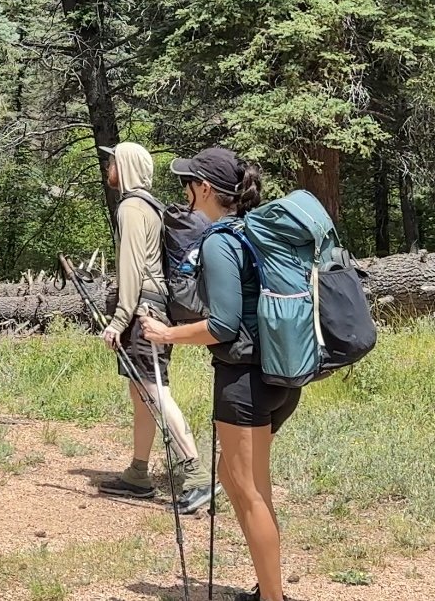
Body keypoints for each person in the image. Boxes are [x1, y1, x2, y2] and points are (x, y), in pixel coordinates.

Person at [141, 146, 292, 601]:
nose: (184, 191)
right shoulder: (255, 231)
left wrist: (166, 335)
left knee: (249, 492)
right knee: (234, 477)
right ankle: (268, 590)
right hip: (276, 374)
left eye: (189, 183)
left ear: (204, 188)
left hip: (244, 381)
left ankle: (273, 597)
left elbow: (223, 325)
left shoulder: (220, 240)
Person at [95, 142, 211, 513]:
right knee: (141, 391)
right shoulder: (152, 206)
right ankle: (138, 474)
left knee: (154, 391)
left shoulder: (130, 208)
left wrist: (118, 320)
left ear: (124, 166)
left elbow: (131, 269)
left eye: (112, 160)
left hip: (143, 312)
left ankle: (195, 473)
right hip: (157, 310)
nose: (108, 166)